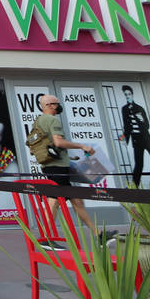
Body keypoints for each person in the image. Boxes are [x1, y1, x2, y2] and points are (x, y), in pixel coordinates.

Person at [34, 94, 102, 243]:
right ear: (50, 105)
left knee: (76, 200)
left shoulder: (39, 121)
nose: (59, 106)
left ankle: (98, 234)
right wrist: (82, 146)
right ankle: (45, 239)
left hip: (50, 165)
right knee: (54, 201)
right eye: (57, 103)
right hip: (57, 167)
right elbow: (58, 143)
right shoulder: (53, 120)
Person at [120, 85, 150, 186]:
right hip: (136, 140)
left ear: (132, 95)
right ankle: (134, 187)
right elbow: (127, 126)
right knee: (139, 164)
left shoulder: (139, 108)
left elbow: (147, 125)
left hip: (146, 138)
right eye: (126, 95)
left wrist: (141, 119)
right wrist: (124, 138)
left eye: (129, 94)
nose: (128, 96)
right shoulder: (124, 109)